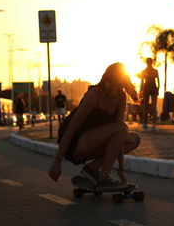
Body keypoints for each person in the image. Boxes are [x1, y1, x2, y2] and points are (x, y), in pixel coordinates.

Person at [48, 63, 141, 191]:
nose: (113, 91)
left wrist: (121, 169)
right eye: (111, 85)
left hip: (95, 143)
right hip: (76, 144)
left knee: (134, 139)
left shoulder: (120, 96)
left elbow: (120, 137)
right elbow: (71, 128)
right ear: (105, 80)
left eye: (118, 87)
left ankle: (93, 169)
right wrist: (57, 161)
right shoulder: (94, 95)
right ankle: (104, 176)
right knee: (122, 128)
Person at [140, 58, 159, 131]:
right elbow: (158, 81)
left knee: (146, 106)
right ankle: (152, 124)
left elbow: (142, 82)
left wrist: (141, 91)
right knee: (152, 106)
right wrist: (158, 89)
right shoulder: (153, 71)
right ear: (152, 62)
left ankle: (146, 124)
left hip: (149, 88)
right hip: (151, 88)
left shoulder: (145, 71)